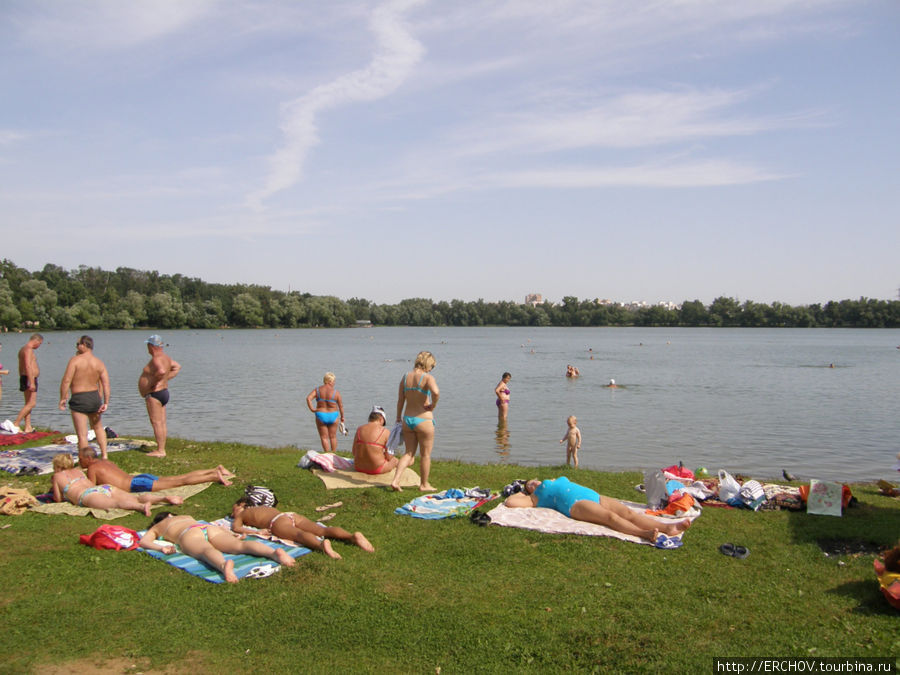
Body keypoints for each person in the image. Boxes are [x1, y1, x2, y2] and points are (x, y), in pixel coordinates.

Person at [504, 476, 690, 542]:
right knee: (609, 517)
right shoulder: (536, 498)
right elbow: (511, 503)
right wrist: (523, 493)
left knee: (628, 512)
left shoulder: (552, 480)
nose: (533, 483)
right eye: (529, 485)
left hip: (592, 495)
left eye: (533, 481)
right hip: (575, 505)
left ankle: (668, 528)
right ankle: (644, 533)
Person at [139, 512, 295, 583]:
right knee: (240, 545)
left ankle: (223, 566)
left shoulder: (158, 527)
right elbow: (217, 527)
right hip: (206, 527)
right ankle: (274, 553)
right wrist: (231, 534)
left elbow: (143, 542)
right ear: (172, 515)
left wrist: (161, 548)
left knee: (206, 551)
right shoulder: (186, 516)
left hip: (188, 534)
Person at [231, 498, 374, 560]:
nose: (233, 514)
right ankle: (351, 536)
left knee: (299, 535)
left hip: (276, 522)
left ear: (242, 505)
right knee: (322, 530)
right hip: (290, 514)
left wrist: (256, 532)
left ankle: (320, 546)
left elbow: (236, 528)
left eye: (234, 510)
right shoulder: (264, 508)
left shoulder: (243, 513)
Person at [50, 453, 183, 516]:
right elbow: (90, 483)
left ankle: (141, 507)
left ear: (57, 466)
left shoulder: (57, 476)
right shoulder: (79, 472)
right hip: (103, 487)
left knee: (114, 504)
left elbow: (57, 499)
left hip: (86, 495)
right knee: (136, 496)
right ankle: (162, 499)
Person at [77, 445, 235, 492]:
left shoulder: (92, 468)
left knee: (181, 482)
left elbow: (90, 489)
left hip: (136, 485)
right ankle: (215, 469)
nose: (79, 461)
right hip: (140, 478)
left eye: (81, 459)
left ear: (89, 458)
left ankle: (213, 476)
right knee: (178, 477)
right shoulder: (105, 462)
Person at [390, 350, 439, 492]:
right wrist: (433, 405)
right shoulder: (428, 378)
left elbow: (400, 400)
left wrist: (398, 417)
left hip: (408, 419)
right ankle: (424, 484)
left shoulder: (405, 377)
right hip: (423, 419)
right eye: (432, 366)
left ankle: (395, 480)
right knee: (425, 455)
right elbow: (436, 392)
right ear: (427, 364)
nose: (431, 369)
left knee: (408, 453)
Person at [58, 335, 110, 458]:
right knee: (98, 427)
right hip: (94, 397)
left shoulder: (75, 360)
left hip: (79, 398)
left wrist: (62, 398)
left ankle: (85, 459)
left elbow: (66, 381)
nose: (76, 346)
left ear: (84, 345)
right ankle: (104, 455)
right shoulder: (99, 363)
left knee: (82, 434)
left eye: (77, 344)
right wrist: (106, 402)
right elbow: (106, 384)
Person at [137, 334, 181, 458]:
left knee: (156, 422)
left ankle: (160, 450)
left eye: (148, 345)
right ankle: (161, 447)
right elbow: (177, 367)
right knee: (161, 422)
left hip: (155, 394)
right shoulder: (165, 357)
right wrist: (165, 379)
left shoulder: (156, 359)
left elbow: (161, 371)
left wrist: (153, 383)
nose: (147, 348)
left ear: (152, 346)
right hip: (163, 392)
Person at [352, 405, 398, 475]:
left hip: (358, 467)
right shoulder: (385, 432)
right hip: (376, 469)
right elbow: (389, 457)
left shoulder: (359, 429)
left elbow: (354, 452)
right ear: (381, 419)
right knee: (394, 460)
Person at [306, 372, 345, 452]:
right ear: (330, 381)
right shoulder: (336, 392)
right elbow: (341, 406)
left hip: (321, 414)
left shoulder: (317, 390)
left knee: (324, 437)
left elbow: (308, 398)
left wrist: (312, 409)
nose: (334, 383)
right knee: (333, 436)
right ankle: (333, 454)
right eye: (334, 381)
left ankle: (327, 454)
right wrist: (342, 417)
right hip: (333, 415)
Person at [14, 333, 42, 432]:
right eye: (40, 343)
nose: (39, 346)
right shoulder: (28, 350)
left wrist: (22, 377)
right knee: (32, 403)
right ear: (36, 341)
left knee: (28, 403)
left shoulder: (23, 349)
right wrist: (32, 382)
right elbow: (28, 366)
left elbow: (21, 366)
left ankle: (28, 426)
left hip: (24, 377)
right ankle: (16, 423)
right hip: (29, 378)